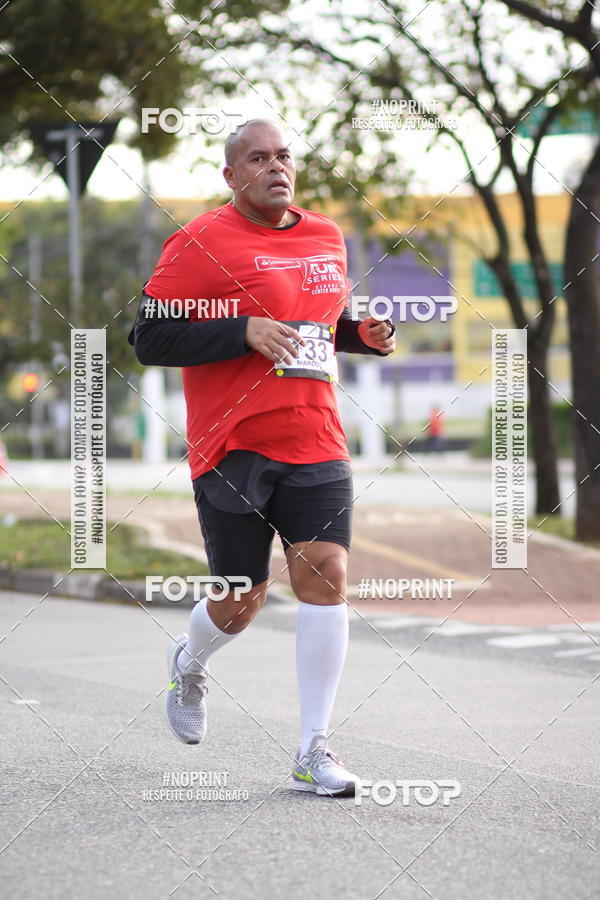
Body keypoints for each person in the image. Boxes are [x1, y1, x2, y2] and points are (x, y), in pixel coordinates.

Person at [128, 118, 395, 798]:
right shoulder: (199, 243)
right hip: (232, 445)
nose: (276, 167)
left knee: (327, 575)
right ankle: (189, 662)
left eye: (284, 156)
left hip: (315, 438)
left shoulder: (325, 237)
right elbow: (149, 338)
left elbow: (313, 325)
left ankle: (313, 748)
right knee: (241, 599)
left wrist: (356, 335)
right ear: (231, 175)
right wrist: (240, 330)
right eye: (258, 157)